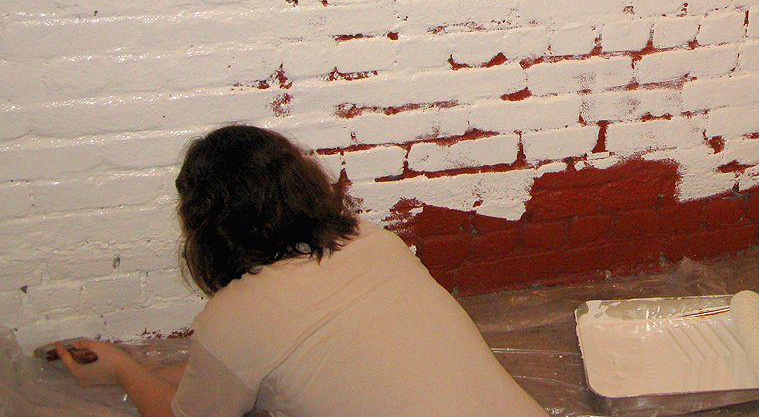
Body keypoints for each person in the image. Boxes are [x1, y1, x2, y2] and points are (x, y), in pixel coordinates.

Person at [57, 124, 549, 417]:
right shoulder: (372, 241)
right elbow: (244, 359)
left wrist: (123, 370)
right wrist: (149, 368)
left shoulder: (234, 317)